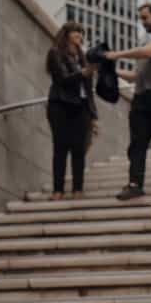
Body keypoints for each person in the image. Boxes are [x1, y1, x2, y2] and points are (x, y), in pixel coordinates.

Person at [105, 2, 151, 200]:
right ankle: (135, 184)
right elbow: (135, 76)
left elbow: (147, 52)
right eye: (141, 19)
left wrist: (115, 55)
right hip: (141, 98)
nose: (143, 23)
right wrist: (109, 69)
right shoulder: (146, 45)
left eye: (145, 18)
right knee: (137, 144)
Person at [45, 21, 98, 201]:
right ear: (67, 34)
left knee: (79, 149)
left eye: (81, 33)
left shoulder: (82, 58)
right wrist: (83, 73)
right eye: (77, 32)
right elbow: (62, 79)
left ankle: (78, 189)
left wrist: (93, 116)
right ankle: (57, 190)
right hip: (60, 106)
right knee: (60, 148)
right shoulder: (56, 53)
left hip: (81, 109)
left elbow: (89, 92)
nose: (80, 36)